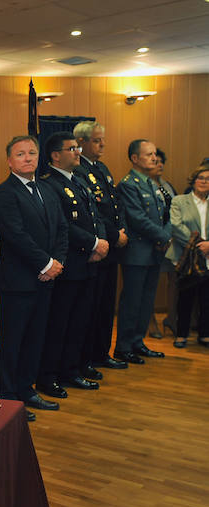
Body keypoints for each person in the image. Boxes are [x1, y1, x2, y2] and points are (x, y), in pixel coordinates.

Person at [0, 135, 68, 421]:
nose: (28, 158)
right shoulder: (4, 192)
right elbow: (15, 235)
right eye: (21, 154)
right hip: (17, 282)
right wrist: (46, 263)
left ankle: (27, 389)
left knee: (36, 339)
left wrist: (57, 262)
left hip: (45, 279)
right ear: (9, 161)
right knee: (12, 342)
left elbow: (62, 229)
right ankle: (7, 399)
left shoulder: (47, 189)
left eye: (32, 153)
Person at [36, 132, 108, 398]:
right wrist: (92, 244)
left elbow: (95, 215)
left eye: (78, 147)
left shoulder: (78, 181)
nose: (78, 152)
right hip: (69, 265)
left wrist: (99, 242)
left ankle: (72, 369)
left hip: (88, 263)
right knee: (60, 323)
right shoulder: (50, 185)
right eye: (72, 148)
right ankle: (49, 376)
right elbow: (64, 225)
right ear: (55, 155)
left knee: (80, 321)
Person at [74, 121, 129, 370]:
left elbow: (115, 203)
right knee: (92, 308)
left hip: (112, 245)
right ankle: (87, 357)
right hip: (98, 247)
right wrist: (113, 235)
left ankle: (102, 352)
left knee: (107, 306)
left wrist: (122, 230)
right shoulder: (79, 170)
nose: (102, 144)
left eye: (102, 139)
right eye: (97, 140)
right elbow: (93, 212)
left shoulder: (102, 168)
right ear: (82, 143)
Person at [113, 139, 172, 364]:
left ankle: (138, 342)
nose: (154, 158)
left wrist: (164, 235)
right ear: (135, 158)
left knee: (147, 301)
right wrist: (163, 236)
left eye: (155, 154)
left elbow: (166, 214)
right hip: (137, 252)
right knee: (132, 301)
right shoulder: (129, 184)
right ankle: (124, 346)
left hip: (155, 251)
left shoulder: (152, 183)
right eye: (149, 154)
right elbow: (137, 219)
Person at [166, 165, 209, 348]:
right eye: (200, 178)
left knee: (207, 298)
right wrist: (199, 244)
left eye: (208, 179)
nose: (204, 181)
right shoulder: (179, 201)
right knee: (185, 297)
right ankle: (181, 334)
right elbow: (176, 225)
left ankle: (205, 334)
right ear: (193, 180)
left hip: (208, 256)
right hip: (186, 255)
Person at [148, 148, 179, 338]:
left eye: (162, 162)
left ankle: (172, 318)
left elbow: (176, 214)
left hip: (171, 241)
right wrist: (159, 237)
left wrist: (169, 237)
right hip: (151, 241)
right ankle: (150, 321)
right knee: (151, 282)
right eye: (155, 161)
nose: (159, 165)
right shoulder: (140, 186)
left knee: (175, 280)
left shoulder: (168, 186)